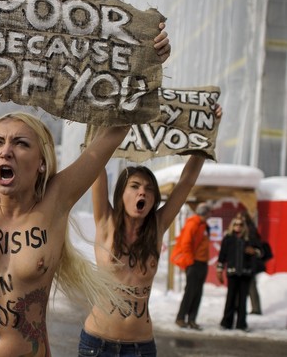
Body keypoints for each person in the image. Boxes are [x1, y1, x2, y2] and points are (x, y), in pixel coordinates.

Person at [0, 0, 172, 357]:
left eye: (20, 143)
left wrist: (149, 62)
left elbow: (114, 133)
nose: (5, 151)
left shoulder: (57, 200)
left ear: (41, 160)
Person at [83, 104, 222, 357]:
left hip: (141, 347)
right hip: (97, 345)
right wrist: (96, 113)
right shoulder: (105, 221)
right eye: (135, 186)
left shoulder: (157, 226)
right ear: (121, 193)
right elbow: (95, 165)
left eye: (148, 189)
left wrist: (207, 130)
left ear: (154, 198)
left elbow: (186, 181)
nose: (142, 192)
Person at [217, 214, 262, 332]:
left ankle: (241, 324)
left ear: (244, 226)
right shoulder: (228, 239)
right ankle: (226, 323)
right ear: (232, 226)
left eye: (241, 224)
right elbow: (222, 256)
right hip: (232, 273)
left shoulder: (250, 239)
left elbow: (262, 252)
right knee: (230, 298)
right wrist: (219, 270)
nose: (238, 226)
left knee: (242, 300)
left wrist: (254, 251)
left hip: (245, 273)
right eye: (236, 224)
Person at [175, 202, 212, 330]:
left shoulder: (204, 225)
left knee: (198, 292)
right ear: (205, 213)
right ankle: (181, 318)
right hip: (194, 263)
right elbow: (186, 243)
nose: (210, 214)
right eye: (209, 212)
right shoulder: (193, 224)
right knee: (190, 292)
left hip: (202, 262)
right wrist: (190, 261)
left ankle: (192, 319)